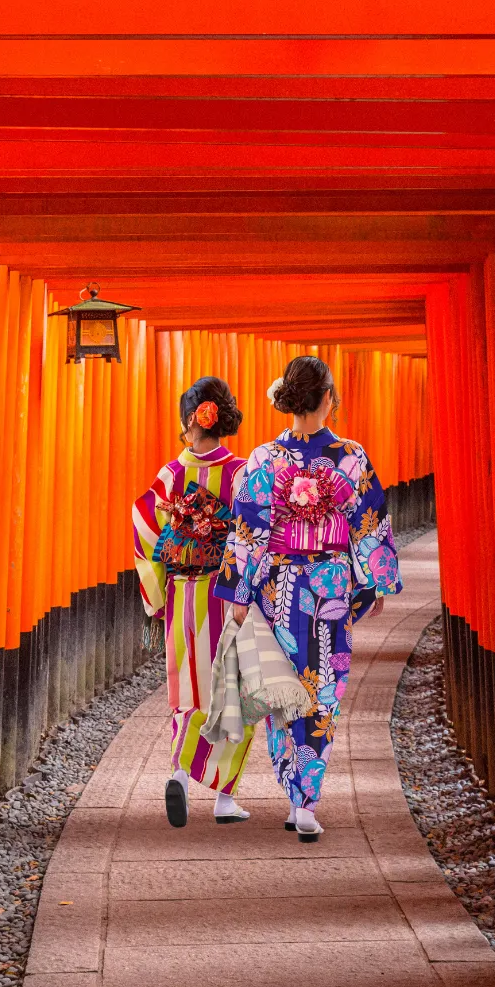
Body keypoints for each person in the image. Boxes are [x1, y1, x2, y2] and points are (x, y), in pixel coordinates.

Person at [214, 355, 403, 841]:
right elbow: (370, 521)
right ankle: (305, 800)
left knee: (285, 689)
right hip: (331, 587)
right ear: (328, 401)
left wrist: (240, 590)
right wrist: (376, 579)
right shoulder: (350, 457)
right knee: (322, 692)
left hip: (279, 586)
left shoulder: (262, 459)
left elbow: (247, 529)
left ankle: (293, 789)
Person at [131, 376, 259, 828]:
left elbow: (146, 529)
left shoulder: (170, 475)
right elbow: (251, 535)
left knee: (188, 685)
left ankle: (181, 774)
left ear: (192, 420)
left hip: (183, 593)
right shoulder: (242, 472)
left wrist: (157, 595)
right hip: (228, 595)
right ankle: (225, 798)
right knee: (235, 689)